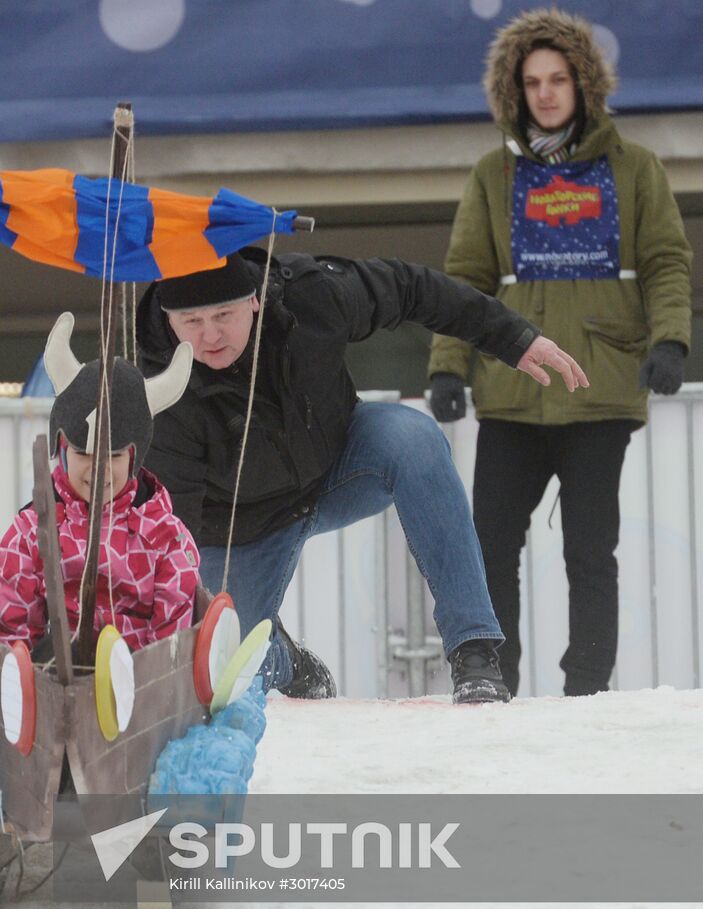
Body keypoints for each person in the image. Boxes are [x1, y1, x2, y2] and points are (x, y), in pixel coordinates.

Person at [136, 248, 589, 704]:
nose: (211, 335)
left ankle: (475, 651)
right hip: (241, 526)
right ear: (167, 318)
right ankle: (286, 661)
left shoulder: (310, 297)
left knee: (413, 438)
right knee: (217, 657)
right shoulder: (158, 391)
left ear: (254, 299)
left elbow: (413, 288)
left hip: (339, 467)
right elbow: (177, 532)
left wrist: (514, 339)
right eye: (191, 322)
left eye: (224, 314)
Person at [427, 9, 692, 697]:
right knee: (488, 550)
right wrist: (447, 365)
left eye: (558, 79)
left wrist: (669, 338)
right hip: (512, 391)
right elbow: (465, 280)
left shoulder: (632, 168)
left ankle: (586, 691)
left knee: (588, 554)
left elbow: (664, 260)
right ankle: (491, 679)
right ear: (516, 91)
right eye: (532, 81)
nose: (545, 93)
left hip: (599, 390)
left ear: (583, 85)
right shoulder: (493, 174)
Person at [0, 315, 201, 653]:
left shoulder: (163, 536)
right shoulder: (33, 531)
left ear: (134, 458)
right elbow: (16, 622)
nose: (98, 469)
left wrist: (147, 677)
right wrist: (23, 666)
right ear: (61, 449)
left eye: (114, 455)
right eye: (82, 453)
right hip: (56, 676)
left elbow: (170, 637)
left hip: (136, 678)